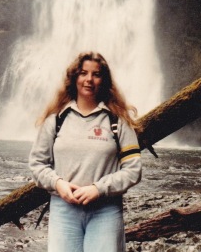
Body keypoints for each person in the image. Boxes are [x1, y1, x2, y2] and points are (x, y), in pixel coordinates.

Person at [29, 51, 142, 252]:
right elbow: (37, 164)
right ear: (74, 78)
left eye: (96, 74)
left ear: (104, 80)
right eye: (83, 73)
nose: (89, 79)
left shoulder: (118, 122)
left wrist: (98, 188)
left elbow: (133, 170)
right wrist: (58, 183)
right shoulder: (56, 120)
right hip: (64, 211)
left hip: (105, 210)